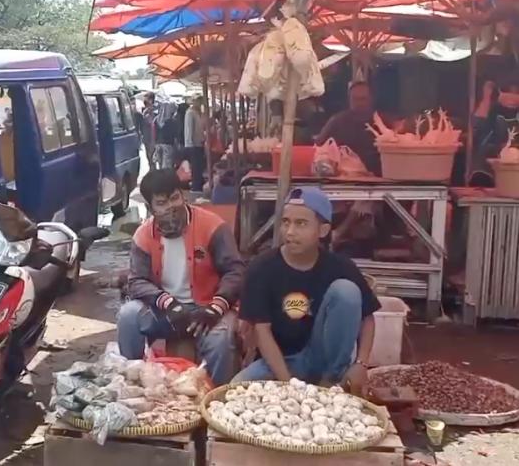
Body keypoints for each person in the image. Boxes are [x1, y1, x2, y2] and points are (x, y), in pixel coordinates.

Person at [233, 187, 380, 395]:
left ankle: (331, 381)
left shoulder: (341, 267)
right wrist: (289, 386)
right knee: (235, 390)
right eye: (285, 222)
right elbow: (262, 332)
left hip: (322, 359)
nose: (290, 232)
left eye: (301, 224)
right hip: (279, 361)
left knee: (346, 291)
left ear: (323, 230)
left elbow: (368, 318)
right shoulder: (261, 268)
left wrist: (361, 364)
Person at [117, 169, 245, 384]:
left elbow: (235, 271)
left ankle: (218, 400)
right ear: (151, 208)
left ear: (183, 195)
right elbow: (137, 281)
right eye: (162, 203)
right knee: (128, 316)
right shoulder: (143, 236)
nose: (171, 207)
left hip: (207, 309)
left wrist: (217, 307)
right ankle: (131, 382)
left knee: (221, 340)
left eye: (175, 198)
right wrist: (167, 303)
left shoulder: (213, 226)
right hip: (166, 310)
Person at [315, 81, 382, 177]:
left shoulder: (383, 122)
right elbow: (319, 147)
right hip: (346, 180)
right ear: (349, 100)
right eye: (355, 99)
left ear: (372, 99)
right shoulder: (337, 121)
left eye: (363, 99)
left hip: (380, 181)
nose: (359, 103)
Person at [470, 76, 519, 184]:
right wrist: (487, 95)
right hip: (486, 172)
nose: (512, 97)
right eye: (508, 92)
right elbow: (477, 125)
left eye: (516, 93)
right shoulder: (493, 112)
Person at [184, 96, 207, 192]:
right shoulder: (190, 113)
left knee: (199, 167)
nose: (201, 104)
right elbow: (189, 129)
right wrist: (190, 144)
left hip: (199, 144)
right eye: (199, 102)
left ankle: (198, 184)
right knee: (195, 167)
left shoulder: (197, 113)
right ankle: (195, 186)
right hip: (193, 145)